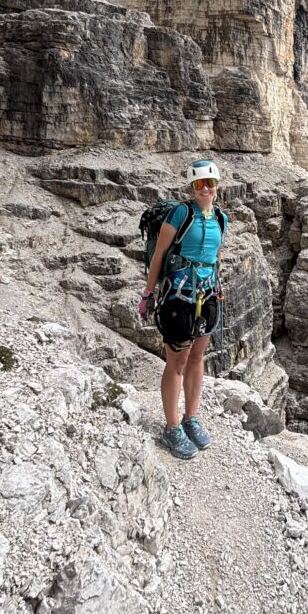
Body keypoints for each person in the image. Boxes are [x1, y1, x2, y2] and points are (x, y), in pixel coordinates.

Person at [138, 160, 227, 459]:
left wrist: (217, 285)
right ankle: (172, 427)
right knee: (178, 360)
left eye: (209, 183)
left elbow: (215, 257)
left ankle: (191, 417)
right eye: (199, 184)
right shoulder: (181, 213)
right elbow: (160, 253)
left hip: (208, 294)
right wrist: (149, 292)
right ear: (192, 187)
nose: (205, 189)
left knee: (198, 356)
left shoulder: (221, 218)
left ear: (217, 186)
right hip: (178, 296)